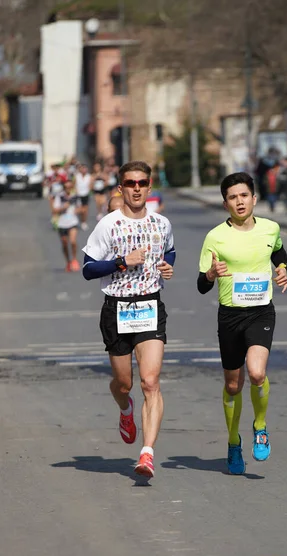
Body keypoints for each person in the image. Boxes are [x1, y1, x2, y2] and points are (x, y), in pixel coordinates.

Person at [82, 161, 176, 479]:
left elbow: (170, 251)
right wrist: (122, 262)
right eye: (130, 183)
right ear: (121, 188)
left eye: (142, 182)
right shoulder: (108, 225)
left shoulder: (162, 224)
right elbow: (87, 268)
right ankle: (126, 410)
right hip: (116, 309)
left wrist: (166, 265)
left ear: (149, 187)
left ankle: (147, 453)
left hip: (150, 306)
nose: (136, 187)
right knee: (125, 383)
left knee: (151, 382)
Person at [197, 171, 287, 475]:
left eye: (244, 195)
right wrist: (211, 274)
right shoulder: (215, 237)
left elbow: (278, 251)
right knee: (233, 385)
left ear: (254, 198)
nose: (239, 202)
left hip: (261, 311)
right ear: (225, 204)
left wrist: (283, 269)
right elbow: (201, 284)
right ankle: (233, 441)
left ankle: (260, 426)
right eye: (233, 197)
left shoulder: (270, 228)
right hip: (230, 315)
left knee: (257, 373)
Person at [52, 180, 82, 272]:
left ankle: (74, 259)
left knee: (73, 241)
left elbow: (81, 208)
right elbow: (55, 210)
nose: (68, 189)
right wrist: (63, 207)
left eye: (69, 187)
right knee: (64, 243)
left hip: (73, 222)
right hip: (62, 223)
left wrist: (77, 211)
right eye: (66, 187)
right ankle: (68, 262)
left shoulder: (75, 196)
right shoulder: (59, 196)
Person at [75, 163, 92, 230]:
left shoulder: (89, 176)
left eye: (85, 168)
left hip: (86, 194)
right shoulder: (77, 176)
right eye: (82, 168)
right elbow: (74, 185)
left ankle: (83, 222)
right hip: (78, 195)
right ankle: (79, 219)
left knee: (85, 210)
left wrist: (90, 189)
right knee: (80, 210)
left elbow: (91, 185)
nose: (84, 170)